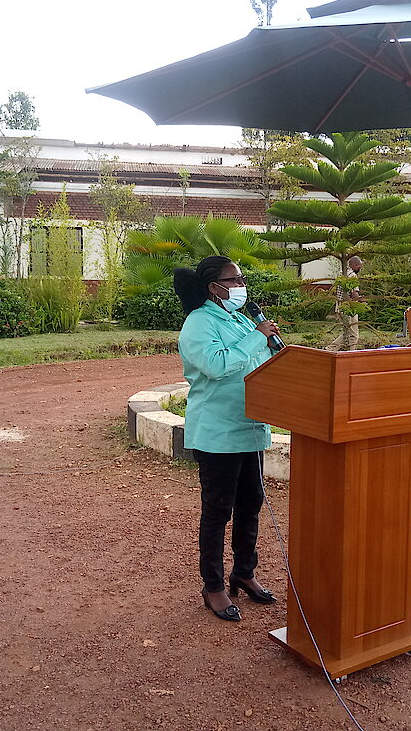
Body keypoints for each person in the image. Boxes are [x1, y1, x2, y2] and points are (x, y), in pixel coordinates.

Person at [173, 255, 282, 622]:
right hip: (218, 433)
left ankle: (244, 573)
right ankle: (214, 586)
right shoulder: (198, 323)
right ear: (213, 287)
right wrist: (257, 337)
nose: (241, 286)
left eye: (241, 279)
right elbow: (217, 365)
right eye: (234, 280)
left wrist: (270, 345)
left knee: (251, 505)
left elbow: (256, 362)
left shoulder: (239, 319)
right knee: (218, 511)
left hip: (250, 427)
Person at [325, 255, 363, 352]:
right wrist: (361, 301)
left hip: (339, 307)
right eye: (359, 267)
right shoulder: (352, 275)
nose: (359, 269)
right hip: (349, 308)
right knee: (353, 335)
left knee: (347, 331)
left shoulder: (340, 273)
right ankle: (333, 349)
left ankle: (337, 350)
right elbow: (354, 294)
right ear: (354, 265)